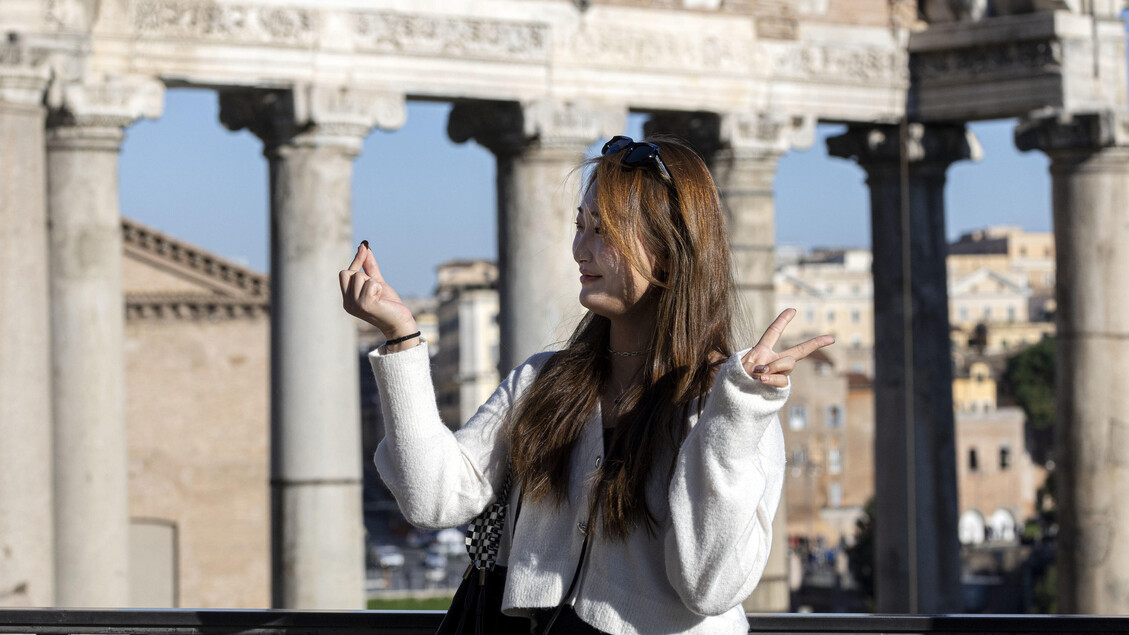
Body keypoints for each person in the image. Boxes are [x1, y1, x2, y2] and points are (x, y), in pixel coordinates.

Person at [339, 136, 833, 634]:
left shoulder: (731, 404)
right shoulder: (542, 379)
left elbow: (710, 587)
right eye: (580, 225)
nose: (580, 248)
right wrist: (401, 337)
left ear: (668, 250)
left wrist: (736, 416)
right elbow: (433, 499)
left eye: (604, 231)